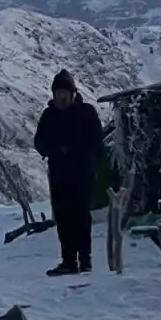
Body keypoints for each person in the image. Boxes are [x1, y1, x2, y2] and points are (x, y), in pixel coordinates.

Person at [33, 68, 105, 276]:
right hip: (58, 174)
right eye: (57, 94)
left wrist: (76, 150)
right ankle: (68, 261)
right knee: (63, 218)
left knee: (81, 217)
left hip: (82, 173)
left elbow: (96, 141)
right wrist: (54, 150)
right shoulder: (49, 116)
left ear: (73, 94)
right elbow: (39, 142)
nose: (61, 98)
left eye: (64, 93)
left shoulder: (86, 113)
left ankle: (85, 259)